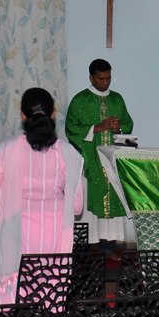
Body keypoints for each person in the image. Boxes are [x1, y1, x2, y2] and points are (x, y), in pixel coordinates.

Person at [0, 87, 84, 317]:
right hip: (54, 245)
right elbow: (77, 207)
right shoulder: (69, 154)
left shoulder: (4, 150)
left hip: (16, 243)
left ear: (22, 115)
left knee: (14, 306)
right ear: (53, 113)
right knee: (50, 307)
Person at [65, 59, 134, 250]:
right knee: (92, 200)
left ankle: (110, 243)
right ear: (91, 78)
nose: (105, 82)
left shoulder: (117, 99)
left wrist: (119, 127)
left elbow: (128, 124)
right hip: (91, 160)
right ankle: (91, 245)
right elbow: (71, 128)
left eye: (108, 78)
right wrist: (98, 127)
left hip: (111, 160)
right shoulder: (80, 100)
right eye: (101, 79)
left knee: (114, 196)